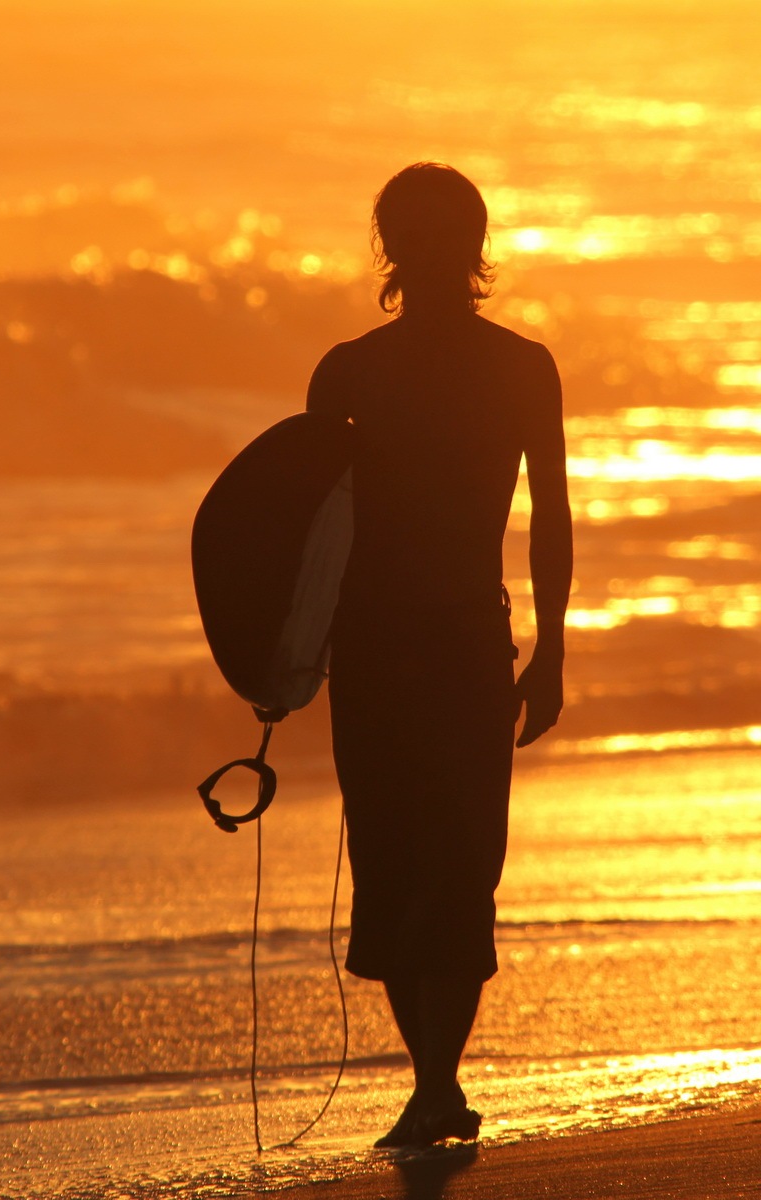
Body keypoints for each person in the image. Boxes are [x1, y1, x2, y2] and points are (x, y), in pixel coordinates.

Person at [306, 162, 573, 1147]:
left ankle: (435, 1085)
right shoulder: (345, 373)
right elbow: (306, 528)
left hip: (466, 642)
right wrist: (285, 656)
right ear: (388, 245)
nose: (423, 250)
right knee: (388, 863)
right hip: (368, 647)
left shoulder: (521, 368)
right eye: (406, 232)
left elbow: (551, 514)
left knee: (462, 866)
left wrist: (551, 650)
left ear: (473, 242)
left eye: (441, 231)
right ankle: (432, 1084)